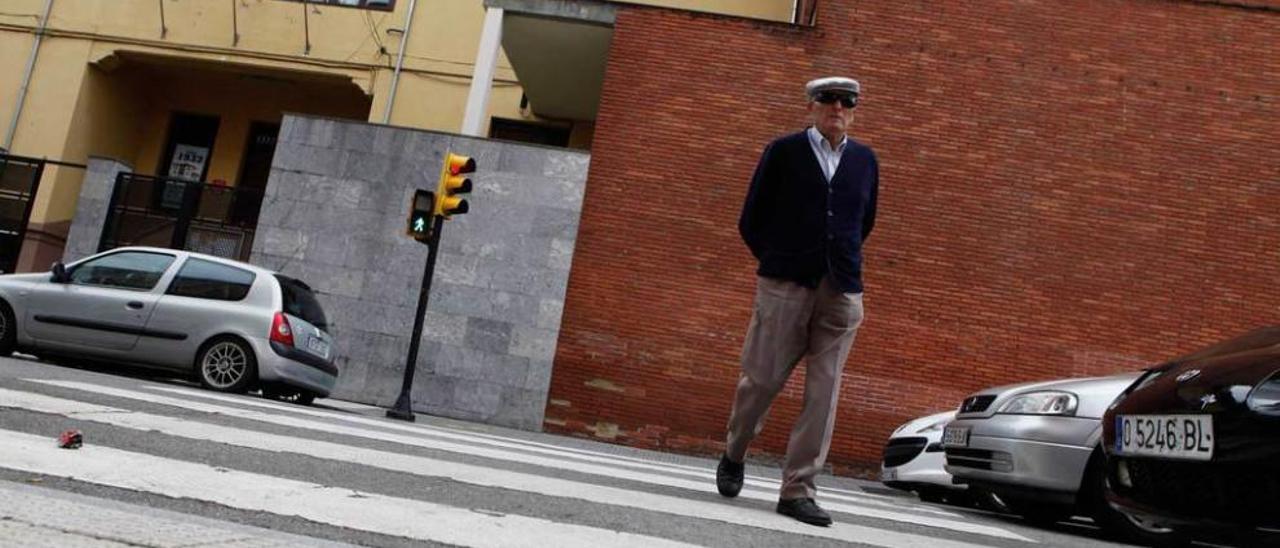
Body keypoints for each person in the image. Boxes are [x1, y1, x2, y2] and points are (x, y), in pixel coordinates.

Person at [716, 76, 879, 527]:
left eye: (847, 102)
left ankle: (798, 490)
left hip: (841, 291)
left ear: (854, 110)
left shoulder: (865, 160)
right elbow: (752, 219)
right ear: (811, 105)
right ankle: (735, 450)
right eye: (828, 100)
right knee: (761, 381)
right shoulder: (783, 152)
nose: (837, 107)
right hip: (785, 285)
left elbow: (864, 221)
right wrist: (780, 261)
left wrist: (838, 264)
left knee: (823, 394)